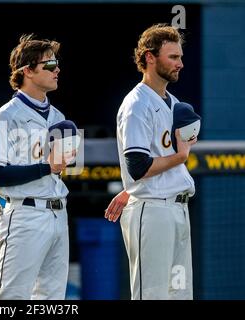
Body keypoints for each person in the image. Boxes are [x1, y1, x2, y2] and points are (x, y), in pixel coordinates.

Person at [104, 24, 197, 300]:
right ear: (149, 57)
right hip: (153, 212)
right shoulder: (137, 104)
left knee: (179, 295)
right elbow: (138, 166)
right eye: (173, 57)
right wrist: (180, 157)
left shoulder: (173, 102)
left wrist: (128, 189)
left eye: (180, 57)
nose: (180, 64)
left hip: (177, 210)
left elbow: (143, 169)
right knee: (152, 296)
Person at [0, 34, 72, 300]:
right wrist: (46, 167)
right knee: (13, 298)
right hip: (26, 215)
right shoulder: (5, 116)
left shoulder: (58, 116)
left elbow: (58, 169)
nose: (57, 70)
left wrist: (53, 167)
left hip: (58, 211)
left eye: (56, 64)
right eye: (49, 64)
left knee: (52, 299)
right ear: (28, 71)